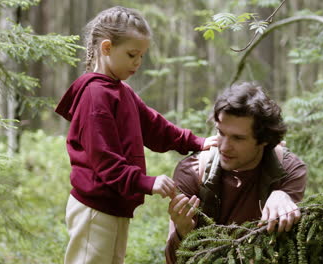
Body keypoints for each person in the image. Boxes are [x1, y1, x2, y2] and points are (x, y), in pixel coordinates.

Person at [55, 6, 216, 264]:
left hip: (115, 205)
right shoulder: (95, 96)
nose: (137, 63)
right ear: (106, 48)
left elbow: (156, 128)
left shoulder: (121, 91)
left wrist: (197, 142)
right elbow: (104, 160)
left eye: (141, 55)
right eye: (131, 54)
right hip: (94, 208)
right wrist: (145, 181)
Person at [165, 82, 307, 263]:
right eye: (221, 133)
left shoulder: (288, 170)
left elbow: (285, 250)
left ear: (264, 139)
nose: (223, 147)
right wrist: (182, 231)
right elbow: (173, 259)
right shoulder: (192, 170)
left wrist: (283, 194)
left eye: (238, 138)